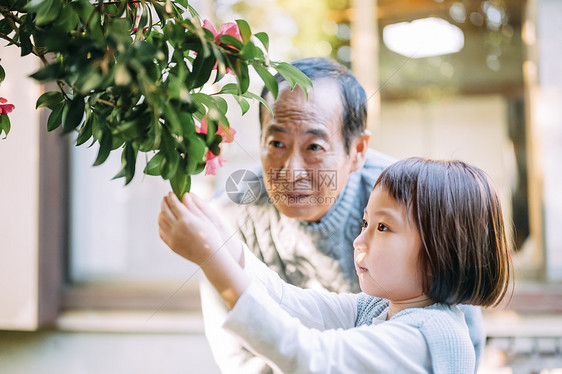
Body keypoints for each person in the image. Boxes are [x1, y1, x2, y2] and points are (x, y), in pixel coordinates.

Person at [199, 57, 486, 373]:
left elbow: (311, 355)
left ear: (358, 150)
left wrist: (214, 255)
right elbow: (282, 308)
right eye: (277, 142)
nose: (291, 171)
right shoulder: (374, 306)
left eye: (314, 147)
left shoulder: (404, 200)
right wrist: (218, 247)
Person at [158, 157, 512, 373]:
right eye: (364, 224)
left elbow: (306, 356)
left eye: (383, 227)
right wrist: (223, 238)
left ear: (441, 252)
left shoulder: (423, 338)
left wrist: (210, 256)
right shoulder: (380, 308)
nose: (360, 241)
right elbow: (287, 301)